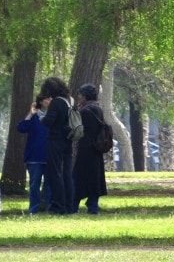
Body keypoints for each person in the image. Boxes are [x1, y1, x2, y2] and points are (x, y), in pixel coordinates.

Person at [40, 76, 75, 214]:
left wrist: (42, 117)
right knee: (67, 173)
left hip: (56, 140)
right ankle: (69, 205)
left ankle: (58, 205)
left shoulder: (56, 103)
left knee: (55, 172)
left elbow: (49, 121)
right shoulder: (71, 100)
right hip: (68, 140)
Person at [72, 83, 108, 214]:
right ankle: (92, 205)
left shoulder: (86, 111)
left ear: (85, 96)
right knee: (94, 178)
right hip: (96, 149)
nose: (79, 98)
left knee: (78, 178)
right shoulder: (98, 109)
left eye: (81, 96)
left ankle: (73, 205)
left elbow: (76, 126)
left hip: (86, 148)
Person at [17, 94, 53, 213]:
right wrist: (30, 113)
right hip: (34, 157)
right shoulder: (34, 117)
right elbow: (21, 128)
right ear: (41, 102)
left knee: (49, 185)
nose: (49, 101)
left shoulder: (53, 117)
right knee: (34, 185)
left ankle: (49, 207)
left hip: (49, 156)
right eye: (47, 99)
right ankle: (33, 208)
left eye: (50, 99)